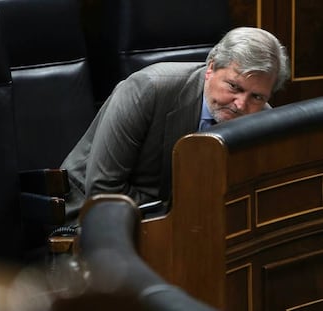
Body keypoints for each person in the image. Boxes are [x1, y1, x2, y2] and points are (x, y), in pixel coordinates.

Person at [61, 27, 290, 218]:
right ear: (211, 68)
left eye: (257, 96)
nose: (241, 104)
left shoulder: (262, 118)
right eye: (234, 87)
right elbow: (103, 191)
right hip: (91, 218)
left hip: (190, 225)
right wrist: (182, 213)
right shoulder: (148, 88)